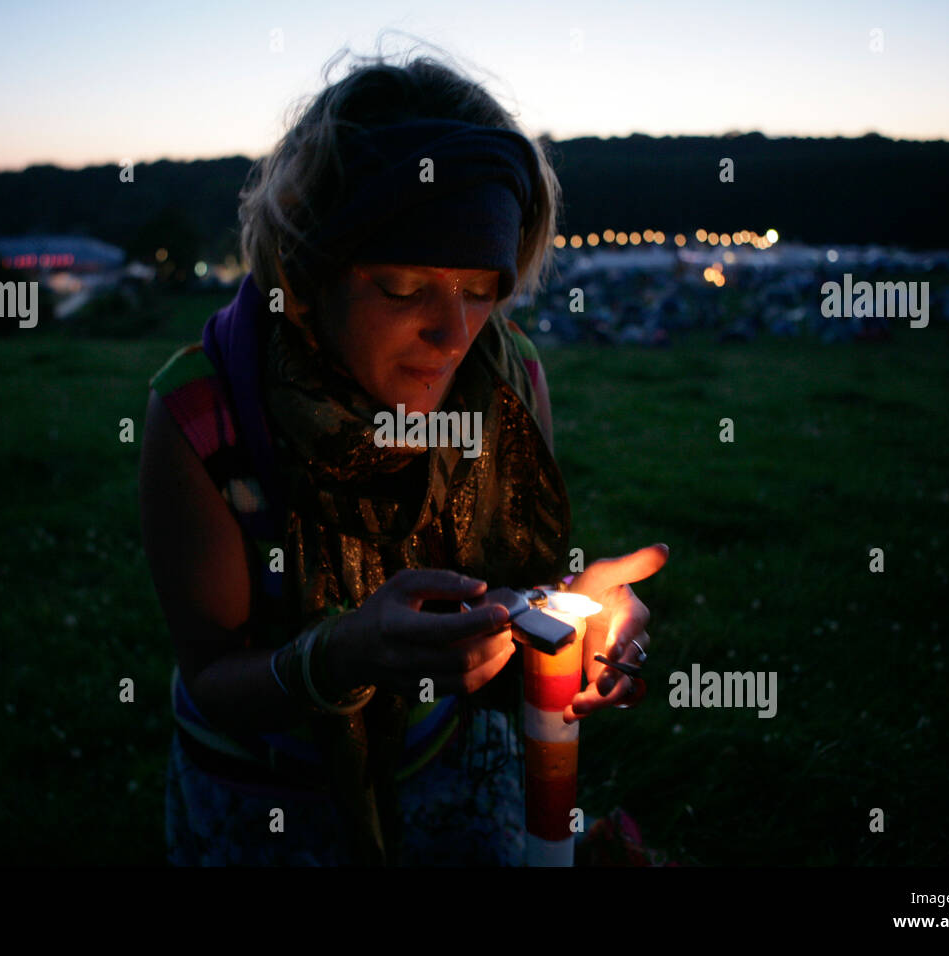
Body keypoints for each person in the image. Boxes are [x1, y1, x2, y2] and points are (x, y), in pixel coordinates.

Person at [139, 44, 668, 866]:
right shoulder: (203, 416)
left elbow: (511, 585)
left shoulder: (509, 376)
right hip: (263, 806)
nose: (454, 334)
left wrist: (567, 613)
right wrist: (340, 656)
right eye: (403, 288)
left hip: (455, 764)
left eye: (481, 288)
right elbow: (211, 676)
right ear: (308, 268)